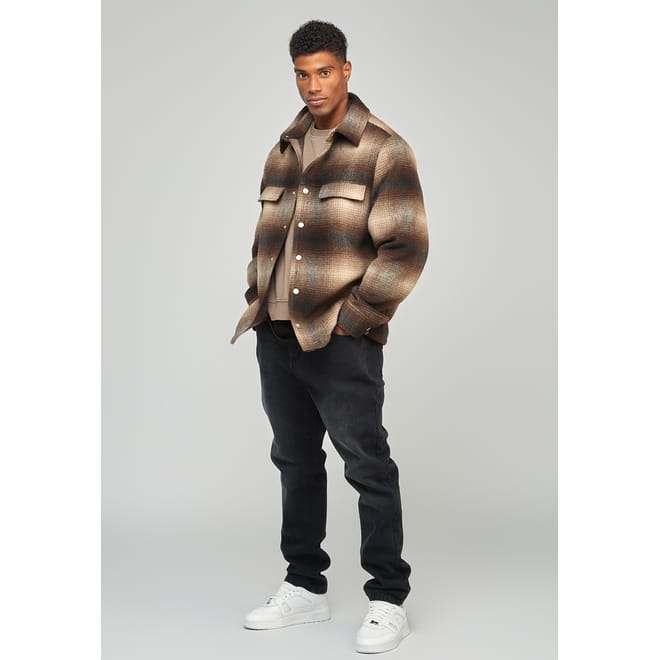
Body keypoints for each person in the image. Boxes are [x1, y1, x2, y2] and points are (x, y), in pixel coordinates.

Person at [231, 19, 429, 654]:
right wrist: (257, 299)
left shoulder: (383, 149)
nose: (313, 85)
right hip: (276, 335)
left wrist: (355, 320)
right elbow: (267, 240)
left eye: (324, 71)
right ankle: (304, 585)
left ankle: (388, 597)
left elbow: (406, 247)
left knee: (367, 465)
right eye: (302, 74)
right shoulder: (284, 148)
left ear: (346, 70)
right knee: (294, 462)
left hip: (339, 339)